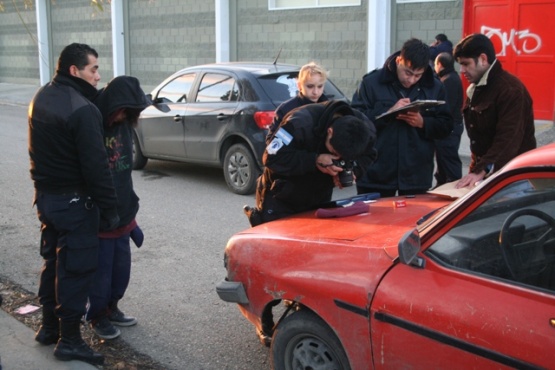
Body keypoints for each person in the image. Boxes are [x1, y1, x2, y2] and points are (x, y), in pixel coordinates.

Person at [28, 43, 119, 365]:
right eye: (93, 69)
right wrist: (110, 210)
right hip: (74, 204)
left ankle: (49, 328)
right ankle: (69, 340)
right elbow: (97, 168)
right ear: (74, 70)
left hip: (47, 200)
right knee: (75, 271)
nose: (98, 76)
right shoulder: (82, 108)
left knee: (53, 263)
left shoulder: (42, 96)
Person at [85, 76, 150, 339]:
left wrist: (130, 213)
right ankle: (97, 315)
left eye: (129, 113)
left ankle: (112, 307)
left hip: (123, 214)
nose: (124, 116)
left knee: (121, 272)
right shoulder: (91, 122)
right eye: (123, 110)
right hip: (100, 216)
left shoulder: (123, 124)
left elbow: (124, 175)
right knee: (101, 276)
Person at [244, 100, 377, 226]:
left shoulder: (366, 131)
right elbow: (271, 157)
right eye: (335, 152)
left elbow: (370, 155)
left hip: (319, 198)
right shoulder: (298, 123)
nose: (337, 157)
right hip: (281, 197)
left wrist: (353, 170)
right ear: (330, 132)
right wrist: (315, 160)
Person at [351, 38, 453, 197]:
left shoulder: (434, 86)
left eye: (418, 75)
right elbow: (355, 122)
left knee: (415, 222)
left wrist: (423, 123)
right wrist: (387, 112)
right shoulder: (371, 82)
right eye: (408, 72)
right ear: (399, 60)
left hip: (416, 175)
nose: (411, 80)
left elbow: (447, 125)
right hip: (376, 173)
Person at [453, 33, 536, 188]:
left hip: (513, 178)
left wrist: (480, 170)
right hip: (488, 176)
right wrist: (476, 171)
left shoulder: (510, 89)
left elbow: (508, 138)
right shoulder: (477, 88)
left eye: (466, 64)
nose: (462, 70)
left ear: (483, 59)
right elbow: (478, 141)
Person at [266, 62, 329, 142]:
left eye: (320, 86)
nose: (315, 92)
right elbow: (273, 144)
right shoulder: (286, 109)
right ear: (299, 86)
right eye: (310, 86)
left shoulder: (329, 107)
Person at [433, 52, 464, 186]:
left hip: (450, 128)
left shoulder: (448, 80)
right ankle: (442, 184)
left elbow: (447, 106)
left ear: (439, 64)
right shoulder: (449, 77)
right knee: (442, 159)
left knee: (449, 158)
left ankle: (454, 186)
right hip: (450, 127)